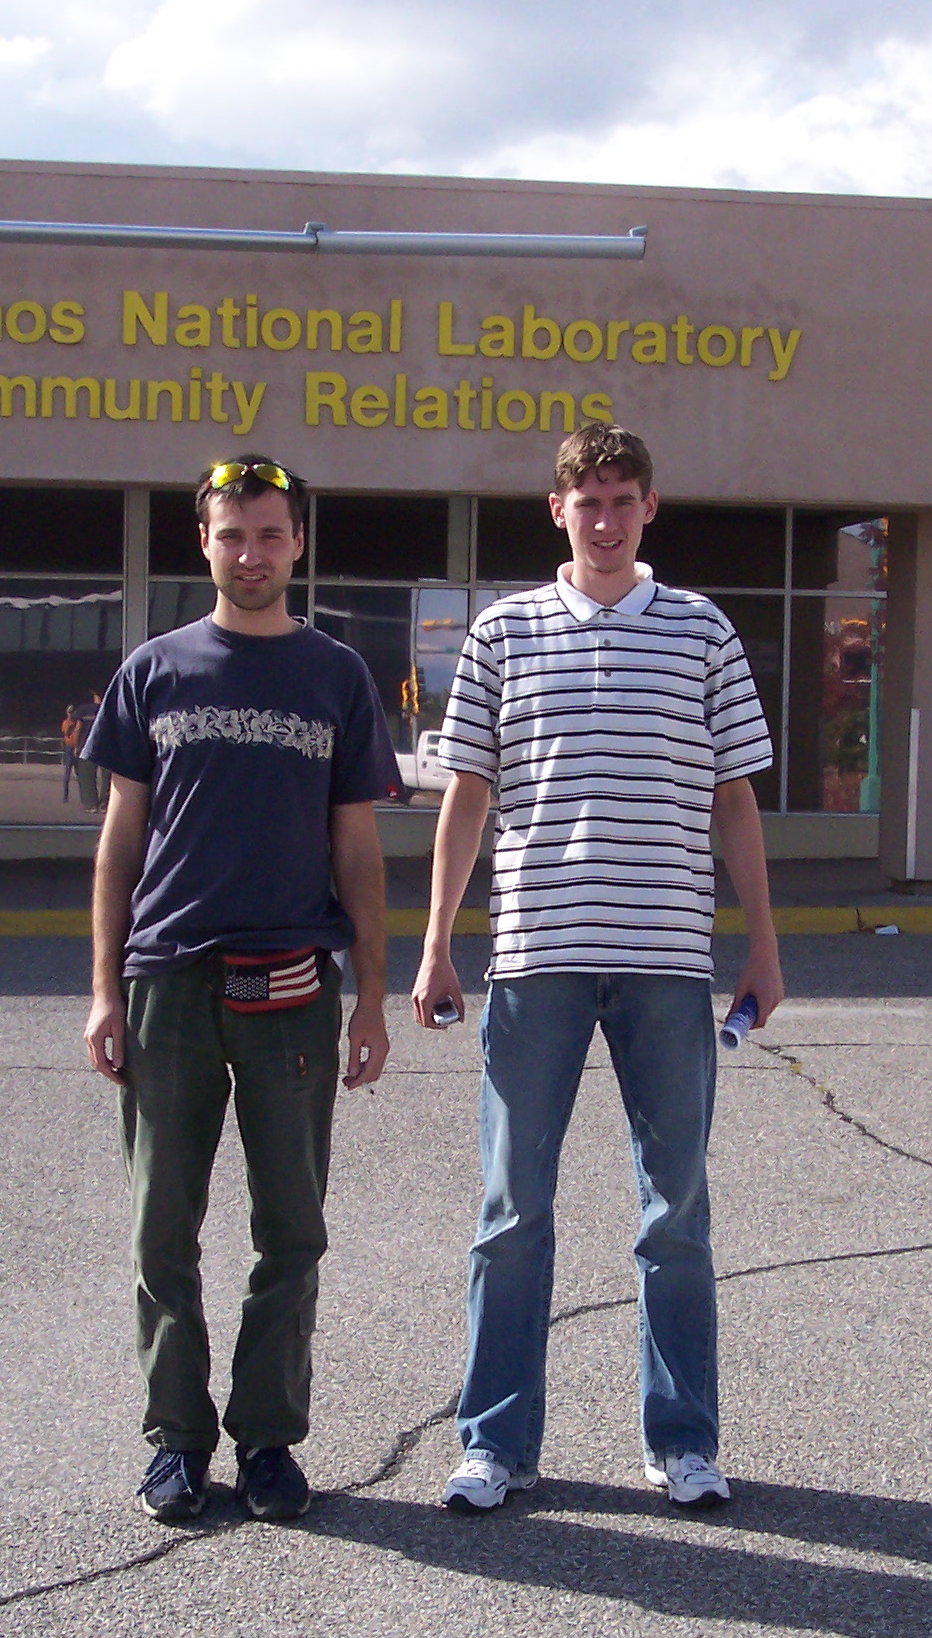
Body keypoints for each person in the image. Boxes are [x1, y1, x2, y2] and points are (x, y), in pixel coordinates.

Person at [411, 423, 783, 1513]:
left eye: (625, 500)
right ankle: (495, 1444)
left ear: (649, 508)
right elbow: (467, 796)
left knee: (676, 1215)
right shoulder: (504, 632)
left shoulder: (702, 631)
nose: (607, 520)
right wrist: (436, 944)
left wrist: (763, 943)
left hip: (667, 957)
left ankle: (684, 1441)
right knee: (511, 1213)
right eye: (589, 501)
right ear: (558, 509)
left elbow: (733, 799)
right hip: (537, 955)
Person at [81, 455, 395, 1526]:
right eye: (232, 534)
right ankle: (177, 1440)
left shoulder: (335, 675)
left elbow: (358, 849)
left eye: (269, 534)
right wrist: (105, 990)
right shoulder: (154, 671)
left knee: (291, 1232)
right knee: (160, 1232)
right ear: (204, 543)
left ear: (297, 543)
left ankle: (267, 1439)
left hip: (292, 990)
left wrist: (372, 998)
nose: (250, 553)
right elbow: (120, 841)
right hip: (167, 985)